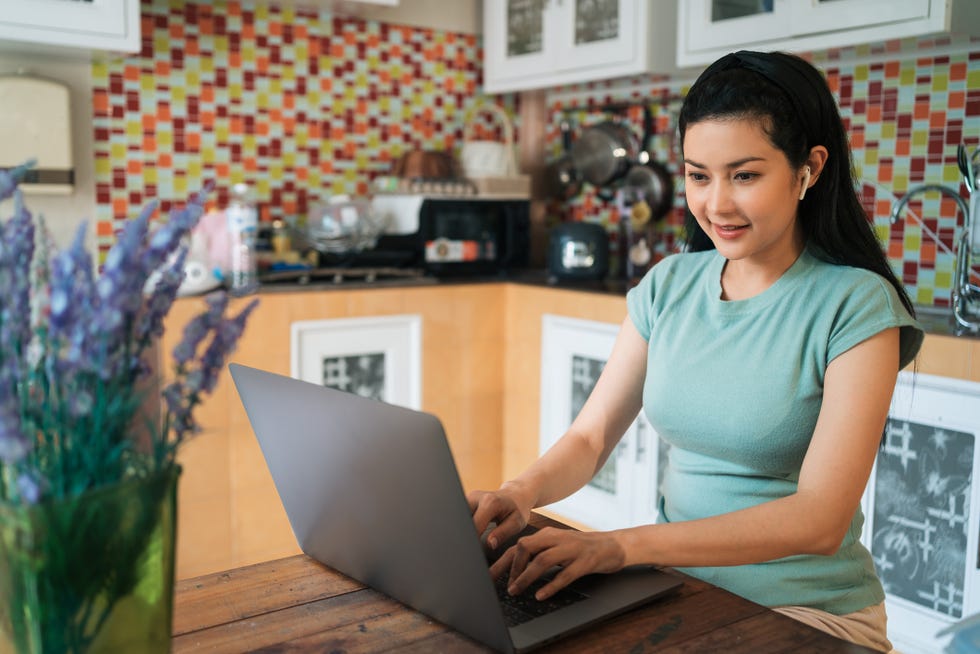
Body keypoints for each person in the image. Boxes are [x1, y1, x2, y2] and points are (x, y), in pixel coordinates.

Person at [468, 50, 923, 653]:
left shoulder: (855, 305)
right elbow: (590, 438)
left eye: (745, 175)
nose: (716, 205)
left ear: (809, 169)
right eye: (699, 175)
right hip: (674, 591)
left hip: (805, 612)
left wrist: (621, 545)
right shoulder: (668, 286)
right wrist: (520, 494)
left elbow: (819, 519)